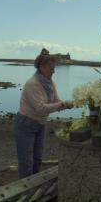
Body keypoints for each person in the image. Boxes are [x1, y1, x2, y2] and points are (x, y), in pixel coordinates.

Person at [13, 48, 73, 179]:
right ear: (41, 67)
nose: (54, 70)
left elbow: (57, 101)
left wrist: (69, 105)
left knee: (37, 160)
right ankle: (25, 192)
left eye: (54, 67)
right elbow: (40, 108)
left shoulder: (50, 83)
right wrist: (63, 105)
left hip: (40, 124)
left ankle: (33, 186)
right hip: (25, 124)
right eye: (51, 68)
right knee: (26, 163)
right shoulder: (32, 84)